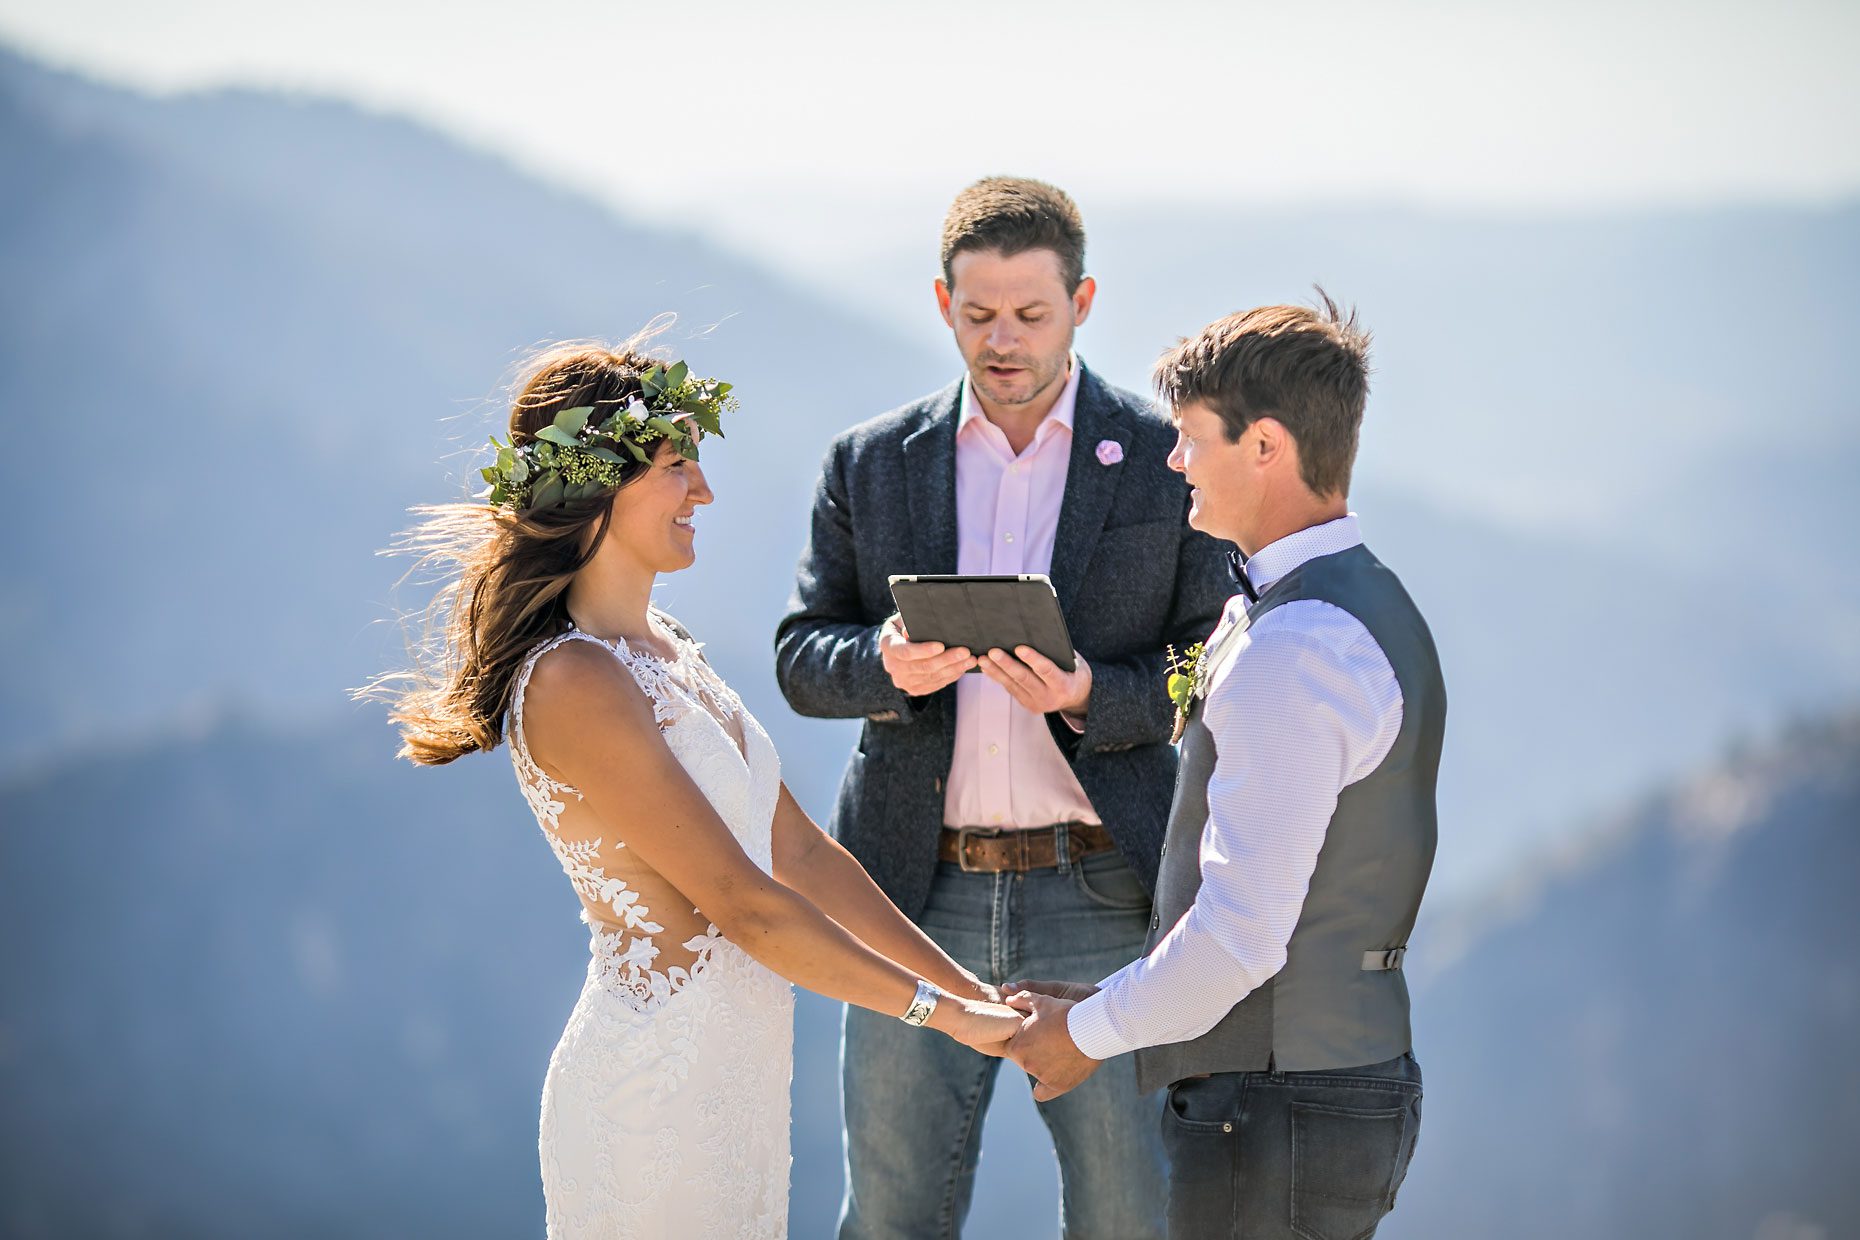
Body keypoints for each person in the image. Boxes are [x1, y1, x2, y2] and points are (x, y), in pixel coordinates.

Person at [374, 341, 1024, 1239]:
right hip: (652, 1100)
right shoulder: (573, 680)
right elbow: (744, 905)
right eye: (677, 465)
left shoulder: (670, 648)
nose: (705, 491)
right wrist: (941, 1016)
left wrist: (973, 992)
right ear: (598, 485)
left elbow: (802, 854)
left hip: (736, 1087)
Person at [775, 177, 1229, 1238]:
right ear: (943, 304)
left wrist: (1091, 693)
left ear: (1083, 303)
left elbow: (1213, 661)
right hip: (910, 893)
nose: (1003, 339)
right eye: (979, 314)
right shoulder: (870, 463)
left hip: (1105, 889)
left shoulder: (1163, 460)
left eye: (1030, 313)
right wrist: (885, 662)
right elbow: (802, 656)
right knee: (889, 1217)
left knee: (1128, 1217)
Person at [1002, 294, 1448, 1239]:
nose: (1174, 461)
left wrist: (1082, 1036)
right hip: (1312, 1093)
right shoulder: (1353, 602)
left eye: (1192, 437)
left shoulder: (1296, 647)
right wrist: (1114, 998)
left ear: (1266, 446)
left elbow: (1242, 939)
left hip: (1276, 1110)